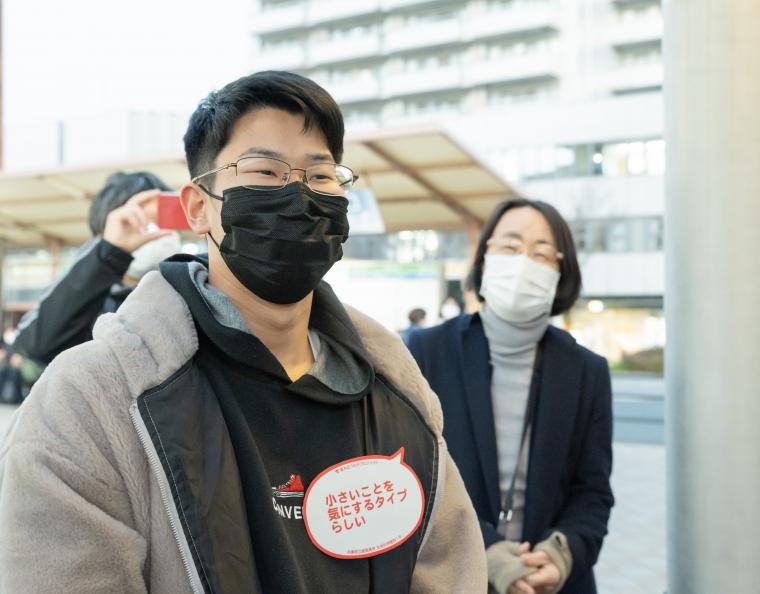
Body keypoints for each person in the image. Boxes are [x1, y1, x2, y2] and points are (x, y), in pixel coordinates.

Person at [0, 71, 485, 593]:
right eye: (265, 171)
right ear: (197, 207)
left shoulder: (397, 389)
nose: (298, 194)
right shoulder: (93, 400)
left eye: (320, 177)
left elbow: (447, 564)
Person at [408, 198, 614, 594]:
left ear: (561, 271)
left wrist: (560, 554)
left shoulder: (587, 370)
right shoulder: (425, 352)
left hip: (550, 582)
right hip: (451, 577)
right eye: (509, 246)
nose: (523, 262)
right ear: (484, 258)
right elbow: (413, 474)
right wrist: (488, 551)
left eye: (541, 253)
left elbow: (593, 491)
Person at [14, 171, 181, 365]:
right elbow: (33, 344)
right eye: (137, 222)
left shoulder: (188, 289)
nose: (156, 234)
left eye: (163, 221)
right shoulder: (85, 301)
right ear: (104, 233)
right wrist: (109, 255)